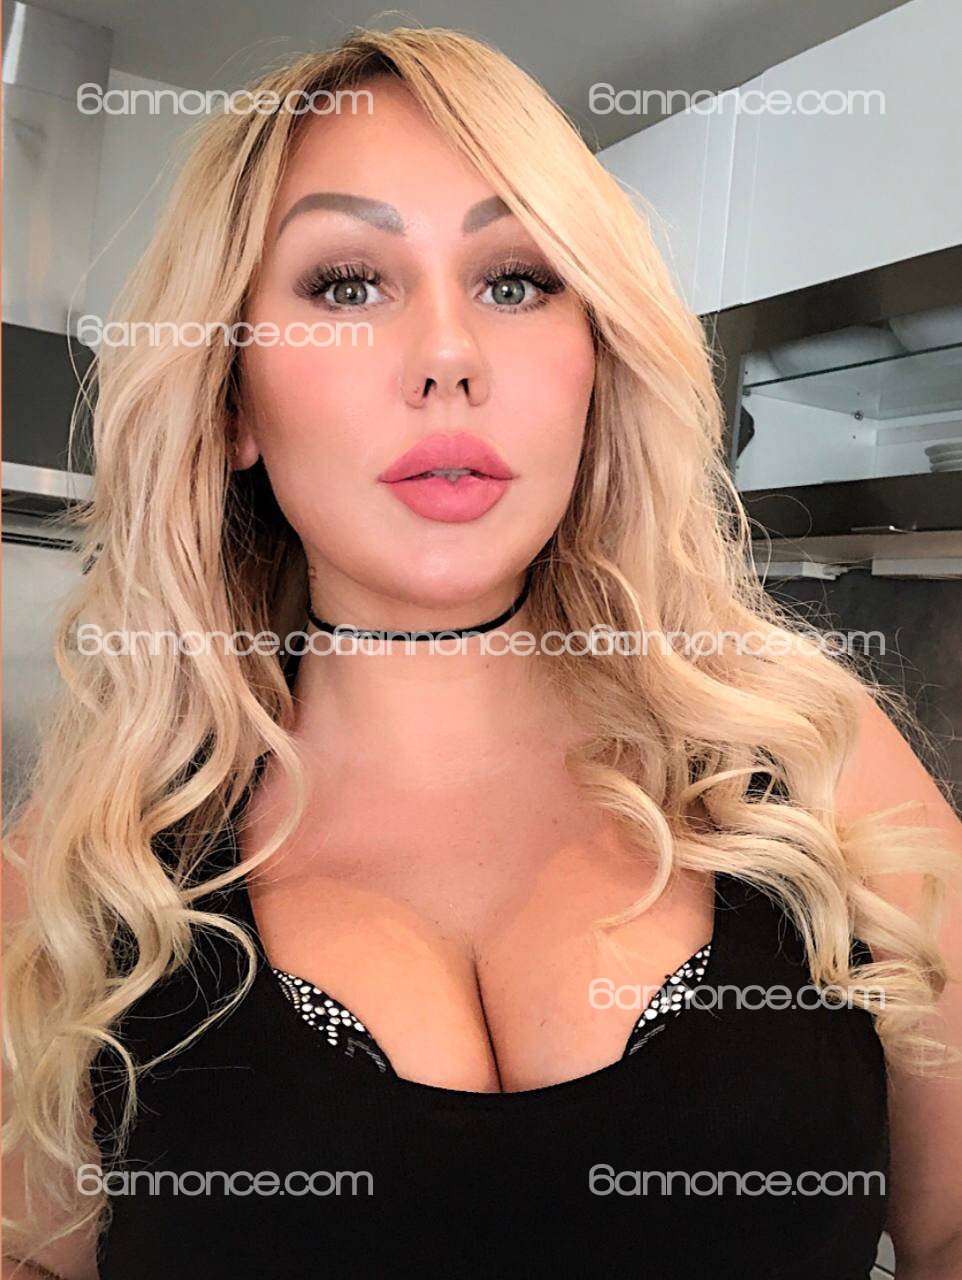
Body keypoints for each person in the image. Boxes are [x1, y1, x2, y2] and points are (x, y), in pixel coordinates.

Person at [3, 25, 961, 1280]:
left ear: (594, 363)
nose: (449, 357)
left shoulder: (816, 759)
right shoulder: (89, 872)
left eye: (515, 281)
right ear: (234, 396)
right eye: (348, 285)